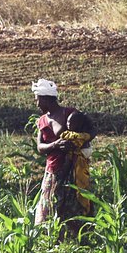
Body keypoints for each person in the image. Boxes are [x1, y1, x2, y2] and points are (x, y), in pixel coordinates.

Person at [32, 79, 96, 233]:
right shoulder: (42, 121)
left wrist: (80, 140)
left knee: (75, 201)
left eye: (38, 100)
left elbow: (92, 132)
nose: (37, 104)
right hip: (54, 169)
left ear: (46, 98)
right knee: (50, 202)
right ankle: (51, 236)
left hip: (74, 167)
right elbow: (40, 147)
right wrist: (55, 145)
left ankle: (80, 235)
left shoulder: (70, 114)